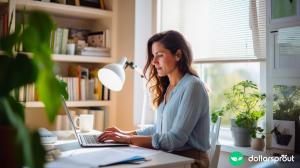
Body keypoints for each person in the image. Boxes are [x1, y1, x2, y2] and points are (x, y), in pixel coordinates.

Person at [98, 30, 210, 168]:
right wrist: (124, 133)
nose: (154, 62)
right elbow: (159, 128)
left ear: (178, 55)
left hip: (191, 162)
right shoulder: (169, 88)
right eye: (153, 56)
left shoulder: (193, 86)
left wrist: (128, 139)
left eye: (160, 55)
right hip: (167, 157)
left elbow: (175, 139)